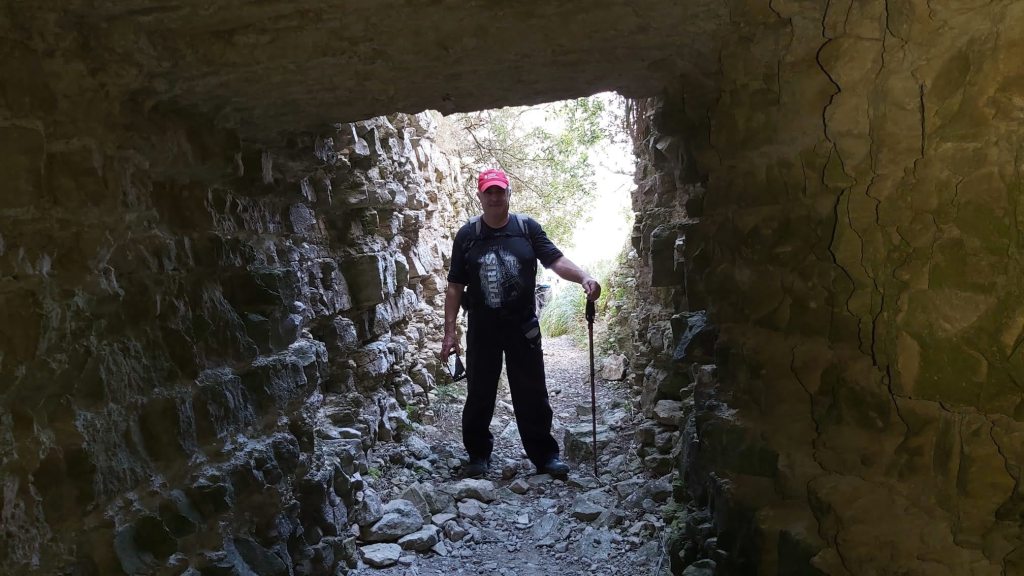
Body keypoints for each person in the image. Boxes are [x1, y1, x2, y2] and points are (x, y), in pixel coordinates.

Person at [440, 168, 602, 478]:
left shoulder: (526, 228)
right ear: (480, 196)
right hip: (482, 328)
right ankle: (477, 456)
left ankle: (545, 456)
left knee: (532, 392)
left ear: (509, 193)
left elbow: (555, 260)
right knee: (479, 392)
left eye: (500, 191)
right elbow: (455, 286)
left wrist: (584, 276)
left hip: (522, 326)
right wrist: (450, 333)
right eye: (489, 192)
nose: (495, 197)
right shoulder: (467, 235)